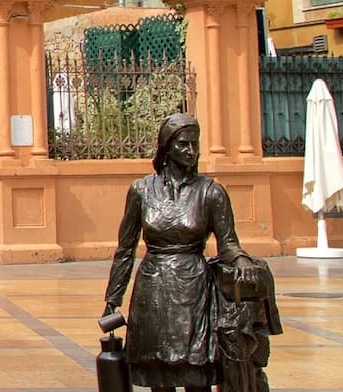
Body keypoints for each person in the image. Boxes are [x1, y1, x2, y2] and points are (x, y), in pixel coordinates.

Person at [104, 114, 263, 392]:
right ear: (167, 147)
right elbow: (125, 249)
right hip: (152, 292)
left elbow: (228, 243)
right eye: (183, 145)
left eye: (195, 144)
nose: (192, 151)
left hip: (194, 291)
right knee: (159, 377)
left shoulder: (211, 192)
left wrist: (241, 259)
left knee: (195, 374)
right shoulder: (141, 191)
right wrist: (112, 298)